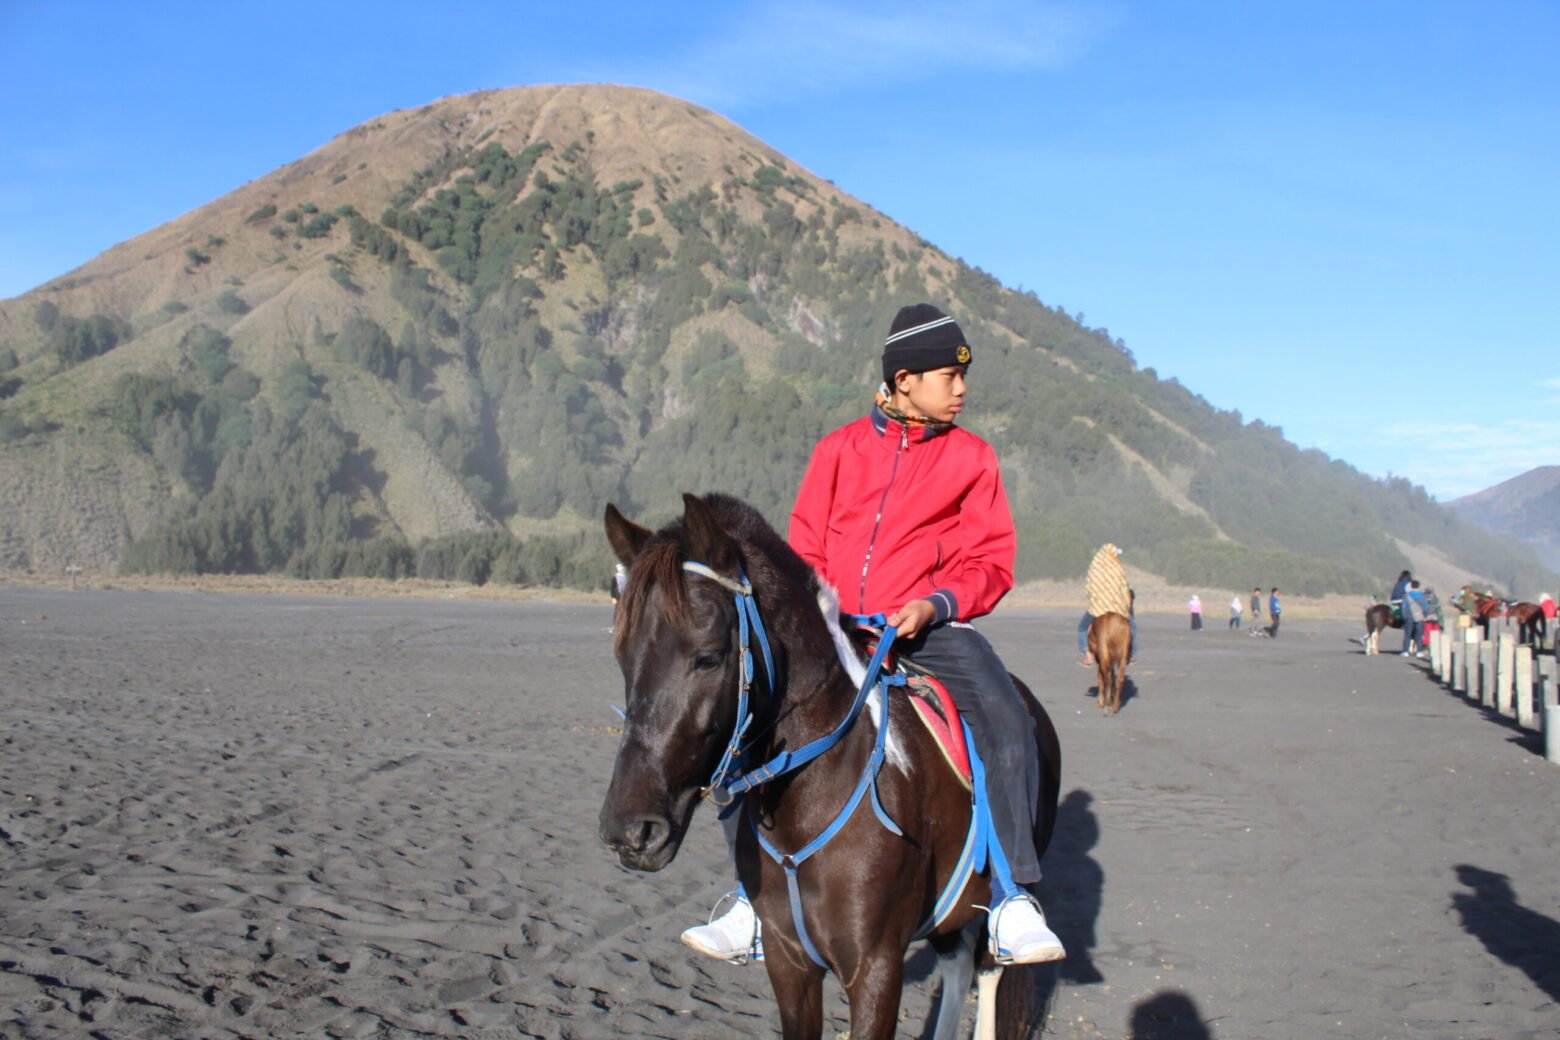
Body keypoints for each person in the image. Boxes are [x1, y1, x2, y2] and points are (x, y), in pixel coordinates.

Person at [680, 303, 1066, 967]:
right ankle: (750, 898)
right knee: (742, 720)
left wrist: (934, 604)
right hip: (831, 631)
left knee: (1006, 717)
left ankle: (1011, 899)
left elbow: (992, 562)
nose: (963, 388)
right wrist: (816, 613)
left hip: (925, 630)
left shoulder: (973, 459)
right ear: (906, 379)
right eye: (951, 375)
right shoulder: (836, 451)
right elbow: (801, 549)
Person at [1078, 543, 1133, 666]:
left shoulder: (1095, 567)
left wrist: (1093, 599)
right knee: (1131, 626)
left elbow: (1089, 588)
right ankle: (1130, 653)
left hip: (1098, 609)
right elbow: (1124, 588)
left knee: (1082, 628)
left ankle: (1088, 656)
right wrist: (1125, 607)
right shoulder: (1118, 568)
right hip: (1116, 608)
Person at [1401, 580, 1426, 656]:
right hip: (1419, 617)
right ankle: (1419, 651)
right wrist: (1425, 615)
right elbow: (1425, 607)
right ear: (1418, 586)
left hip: (1409, 617)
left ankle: (1405, 651)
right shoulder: (1422, 595)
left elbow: (1404, 607)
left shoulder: (1406, 595)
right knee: (1419, 635)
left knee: (1407, 634)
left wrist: (1405, 616)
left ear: (1411, 586)